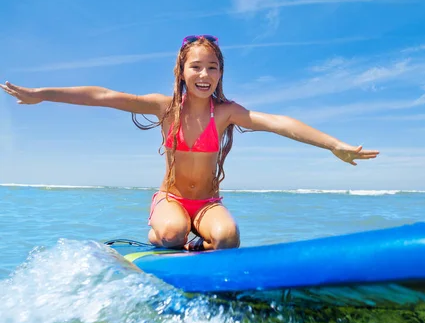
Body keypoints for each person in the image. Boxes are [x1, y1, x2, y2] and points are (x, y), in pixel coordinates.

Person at [1, 35, 379, 251]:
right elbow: (102, 95)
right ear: (182, 72)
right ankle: (164, 231)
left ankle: (200, 238)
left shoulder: (226, 112)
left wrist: (333, 144)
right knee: (170, 235)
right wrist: (42, 94)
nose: (204, 74)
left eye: (212, 67)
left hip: (207, 203)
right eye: (196, 66)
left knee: (229, 238)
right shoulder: (165, 109)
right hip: (172, 199)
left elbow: (278, 122)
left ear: (220, 74)